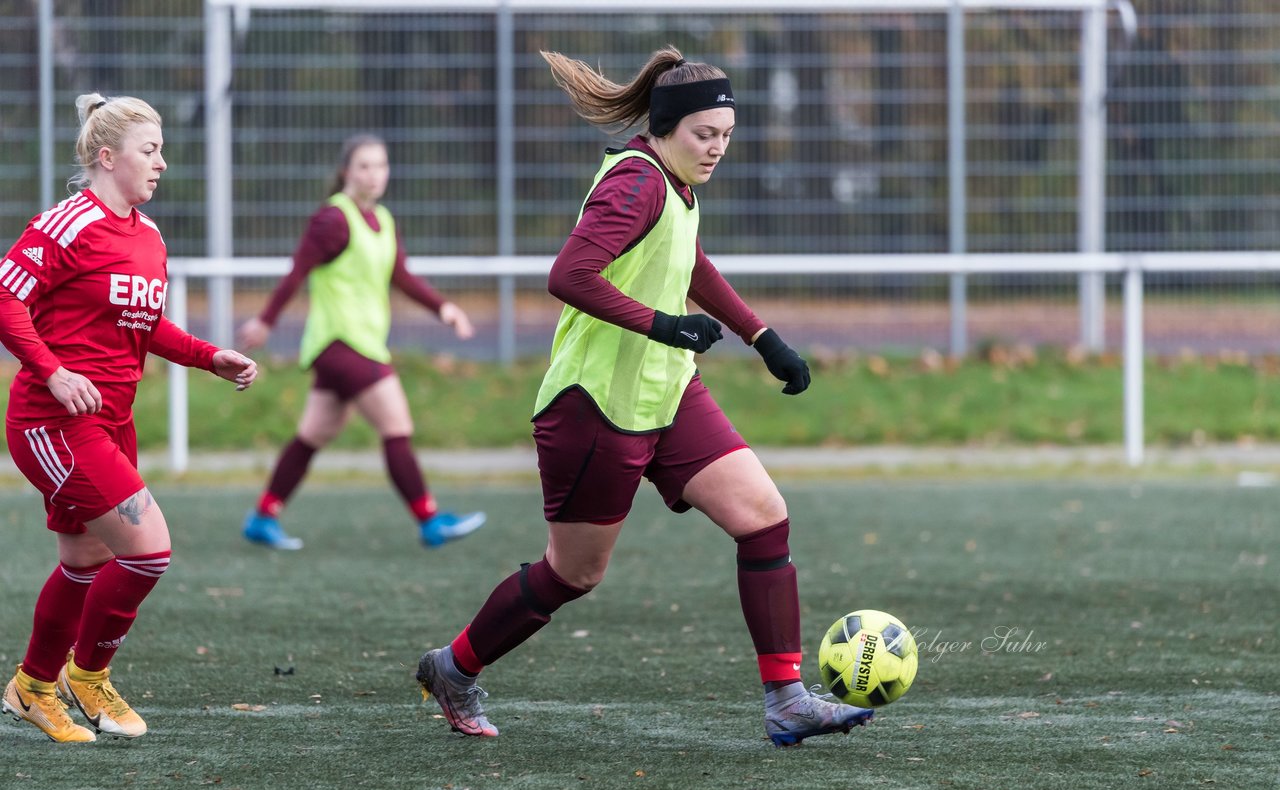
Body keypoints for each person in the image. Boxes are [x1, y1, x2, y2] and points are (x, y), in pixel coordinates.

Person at [415, 47, 874, 747]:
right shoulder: (636, 183)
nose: (717, 149)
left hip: (669, 392)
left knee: (763, 517)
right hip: (597, 406)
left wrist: (763, 336)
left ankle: (786, 700)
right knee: (574, 573)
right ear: (666, 127)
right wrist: (663, 324)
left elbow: (688, 262)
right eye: (704, 135)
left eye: (725, 136)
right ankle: (453, 667)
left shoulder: (678, 184)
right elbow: (569, 274)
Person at [0, 93, 259, 743]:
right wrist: (54, 371)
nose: (162, 163)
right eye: (151, 150)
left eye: (163, 149)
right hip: (51, 423)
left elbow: (144, 326)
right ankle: (87, 674)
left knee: (85, 559)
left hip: (113, 422)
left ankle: (33, 687)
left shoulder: (148, 238)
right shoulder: (67, 224)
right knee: (148, 550)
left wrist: (208, 357)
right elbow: (6, 298)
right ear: (106, 156)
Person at [237, 134, 486, 551]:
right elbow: (297, 271)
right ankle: (430, 520)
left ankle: (263, 515)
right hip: (339, 343)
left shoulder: (384, 221)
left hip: (362, 344)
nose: (374, 174)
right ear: (345, 172)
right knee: (397, 425)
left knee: (315, 432)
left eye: (381, 165)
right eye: (364, 166)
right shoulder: (332, 220)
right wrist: (265, 321)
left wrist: (445, 308)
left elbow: (401, 275)